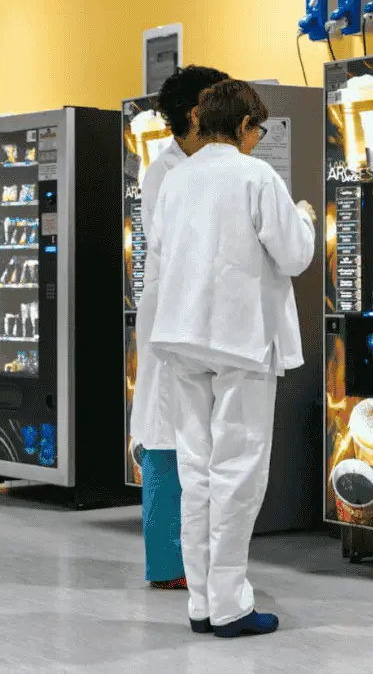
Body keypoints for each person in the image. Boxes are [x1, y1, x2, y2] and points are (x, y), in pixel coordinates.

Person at [147, 80, 316, 638]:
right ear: (244, 126)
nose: (257, 139)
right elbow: (293, 255)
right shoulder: (256, 176)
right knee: (238, 471)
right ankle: (230, 606)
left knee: (195, 471)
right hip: (240, 339)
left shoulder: (176, 180)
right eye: (257, 130)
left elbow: (160, 252)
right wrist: (305, 218)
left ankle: (201, 603)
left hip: (182, 337)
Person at [131, 65, 229, 591]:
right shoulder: (168, 173)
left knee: (188, 435)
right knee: (167, 435)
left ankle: (190, 557)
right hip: (175, 317)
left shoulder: (196, 167)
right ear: (197, 114)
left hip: (192, 317)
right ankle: (169, 563)